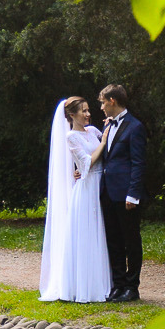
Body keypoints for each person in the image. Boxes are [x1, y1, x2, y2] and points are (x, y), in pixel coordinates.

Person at [39, 96, 113, 303]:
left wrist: (108, 130)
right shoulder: (71, 137)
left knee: (101, 234)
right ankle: (85, 287)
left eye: (89, 110)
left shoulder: (93, 132)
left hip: (100, 184)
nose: (88, 114)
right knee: (88, 235)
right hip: (87, 189)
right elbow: (87, 162)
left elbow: (106, 146)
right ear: (72, 115)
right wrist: (103, 142)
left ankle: (106, 284)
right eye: (84, 111)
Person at [96, 84, 146, 302]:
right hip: (107, 192)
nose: (101, 107)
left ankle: (132, 287)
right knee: (113, 240)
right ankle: (118, 284)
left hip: (126, 195)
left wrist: (133, 194)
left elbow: (138, 163)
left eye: (102, 102)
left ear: (112, 101)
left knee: (131, 241)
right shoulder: (107, 126)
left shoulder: (135, 127)